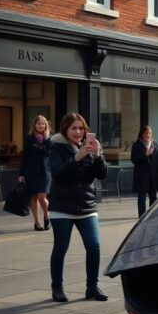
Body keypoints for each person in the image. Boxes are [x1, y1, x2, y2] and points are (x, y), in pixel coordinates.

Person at [47, 112, 108, 302]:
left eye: (81, 128)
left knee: (94, 246)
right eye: (74, 128)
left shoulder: (89, 147)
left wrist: (98, 156)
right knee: (61, 247)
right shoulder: (56, 148)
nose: (78, 131)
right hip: (62, 207)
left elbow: (102, 175)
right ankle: (57, 287)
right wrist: (76, 158)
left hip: (87, 206)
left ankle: (92, 287)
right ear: (65, 129)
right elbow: (58, 173)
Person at [18, 115, 52, 231]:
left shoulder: (49, 139)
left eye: (43, 123)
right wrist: (21, 174)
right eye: (39, 123)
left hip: (45, 171)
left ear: (46, 125)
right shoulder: (29, 138)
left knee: (42, 196)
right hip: (31, 171)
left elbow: (50, 153)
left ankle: (47, 216)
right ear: (35, 125)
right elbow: (25, 157)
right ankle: (37, 223)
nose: (41, 126)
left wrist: (47, 140)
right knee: (33, 196)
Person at [131, 126, 158, 217]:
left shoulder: (154, 144)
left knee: (153, 196)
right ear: (142, 134)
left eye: (150, 133)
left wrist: (152, 154)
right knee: (142, 197)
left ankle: (152, 215)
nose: (148, 135)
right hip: (141, 175)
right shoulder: (137, 145)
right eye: (146, 133)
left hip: (152, 175)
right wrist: (145, 154)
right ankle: (142, 216)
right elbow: (134, 159)